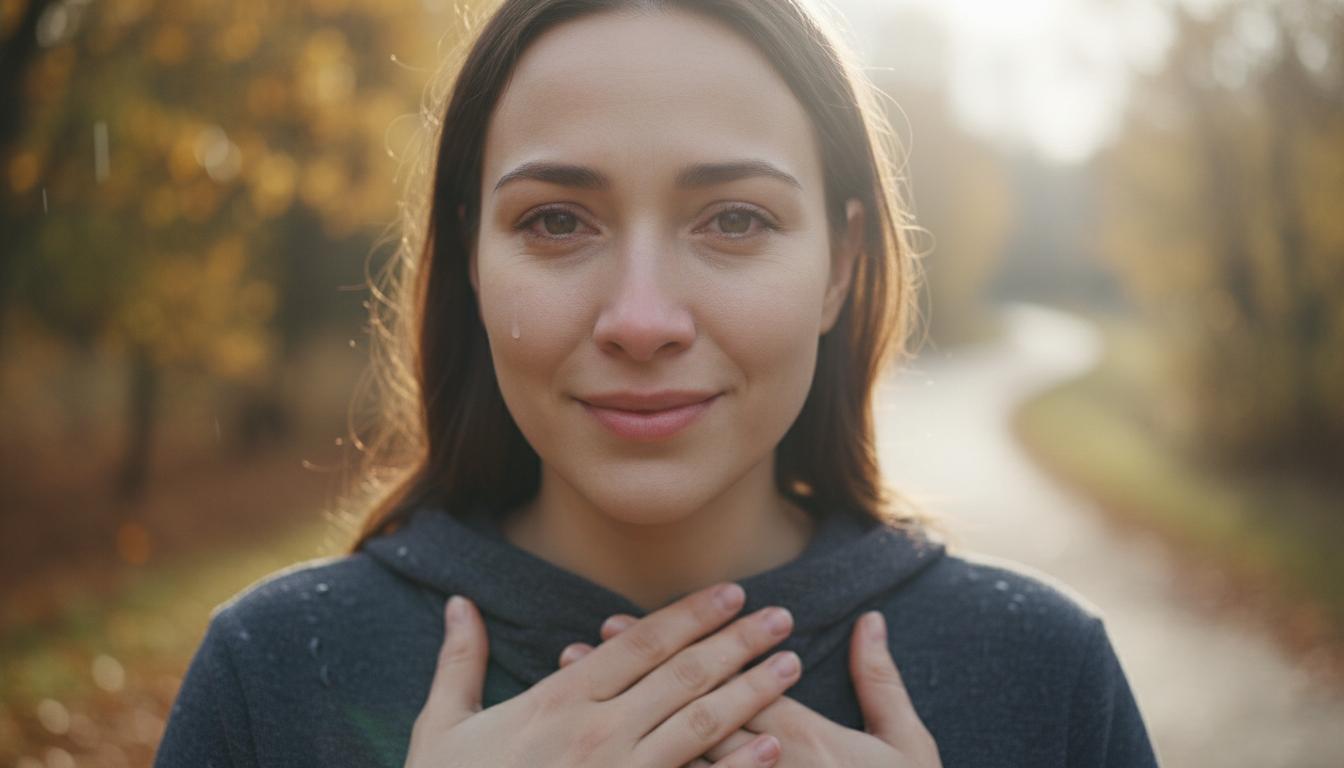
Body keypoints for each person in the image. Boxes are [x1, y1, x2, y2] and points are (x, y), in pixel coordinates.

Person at [154, 0, 1161, 766]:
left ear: (842, 264)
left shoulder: (1046, 675)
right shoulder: (274, 675)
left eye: (734, 220)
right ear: (471, 256)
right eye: (556, 220)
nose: (642, 321)